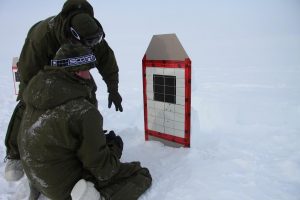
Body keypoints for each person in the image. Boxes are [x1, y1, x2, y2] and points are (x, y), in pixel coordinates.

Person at [5, 0, 123, 182]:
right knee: (31, 100)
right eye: (88, 44)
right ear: (73, 35)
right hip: (44, 64)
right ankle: (14, 154)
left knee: (87, 90)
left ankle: (86, 141)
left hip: (74, 61)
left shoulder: (90, 33)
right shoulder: (42, 38)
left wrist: (113, 89)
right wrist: (27, 94)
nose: (93, 46)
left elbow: (107, 60)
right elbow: (29, 72)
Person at [18, 43, 152, 200]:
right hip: (62, 188)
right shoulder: (83, 111)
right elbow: (103, 171)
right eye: (87, 70)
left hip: (36, 175)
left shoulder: (37, 92)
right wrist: (114, 151)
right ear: (77, 72)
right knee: (141, 175)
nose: (90, 75)